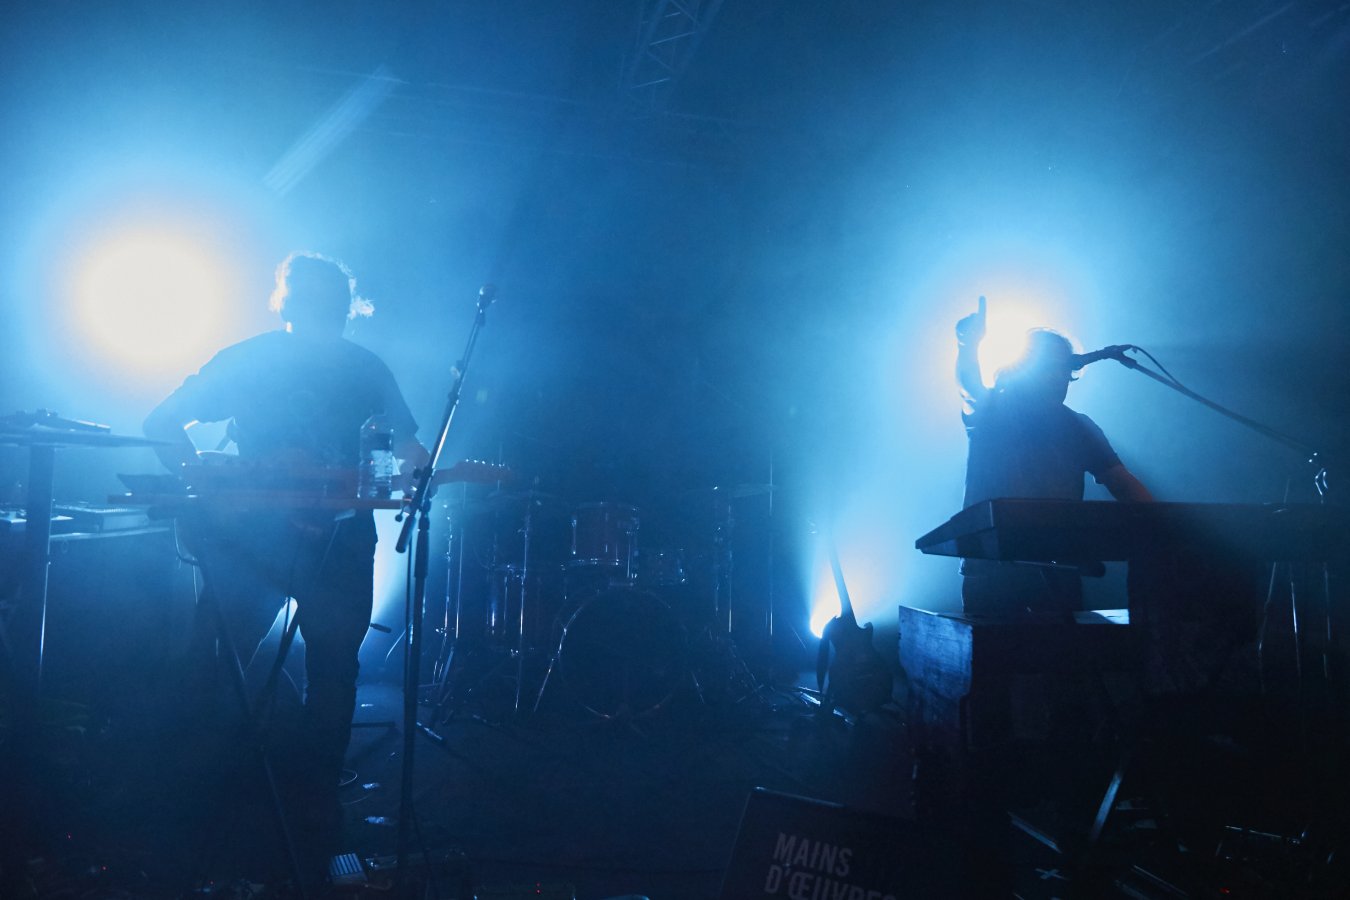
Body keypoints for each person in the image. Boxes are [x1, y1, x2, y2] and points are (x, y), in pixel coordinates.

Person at [143, 252, 429, 881]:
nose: (326, 312)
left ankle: (303, 808)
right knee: (224, 662)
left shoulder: (363, 367)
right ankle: (199, 794)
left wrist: (423, 468)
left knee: (327, 673)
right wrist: (202, 480)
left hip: (332, 537)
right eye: (316, 299)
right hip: (253, 539)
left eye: (334, 302)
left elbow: (406, 446)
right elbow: (161, 421)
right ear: (290, 303)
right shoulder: (250, 359)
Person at [954, 295, 1153, 616]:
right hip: (993, 566)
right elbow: (969, 385)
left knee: (1061, 645)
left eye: (1065, 371)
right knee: (997, 645)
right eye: (1051, 368)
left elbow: (1121, 481)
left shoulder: (1078, 426)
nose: (1060, 378)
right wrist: (968, 344)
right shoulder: (991, 409)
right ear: (1027, 369)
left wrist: (1163, 523)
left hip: (1060, 563)